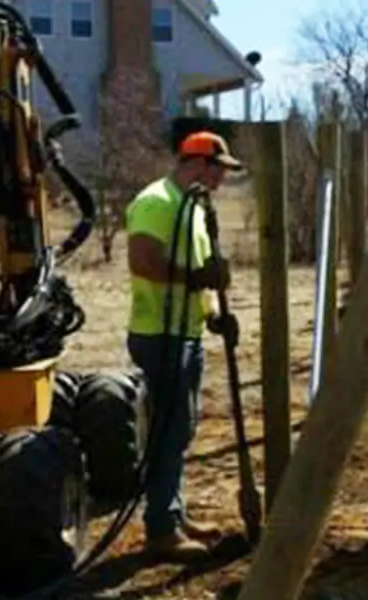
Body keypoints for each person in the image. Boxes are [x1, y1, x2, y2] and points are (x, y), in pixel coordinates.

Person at [125, 131, 241, 561]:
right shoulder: (157, 202)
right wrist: (196, 279)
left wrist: (213, 314)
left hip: (185, 333)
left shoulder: (193, 208)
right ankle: (160, 528)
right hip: (159, 334)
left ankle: (174, 513)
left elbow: (200, 270)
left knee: (181, 430)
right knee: (167, 432)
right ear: (197, 163)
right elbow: (144, 261)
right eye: (219, 171)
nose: (221, 182)